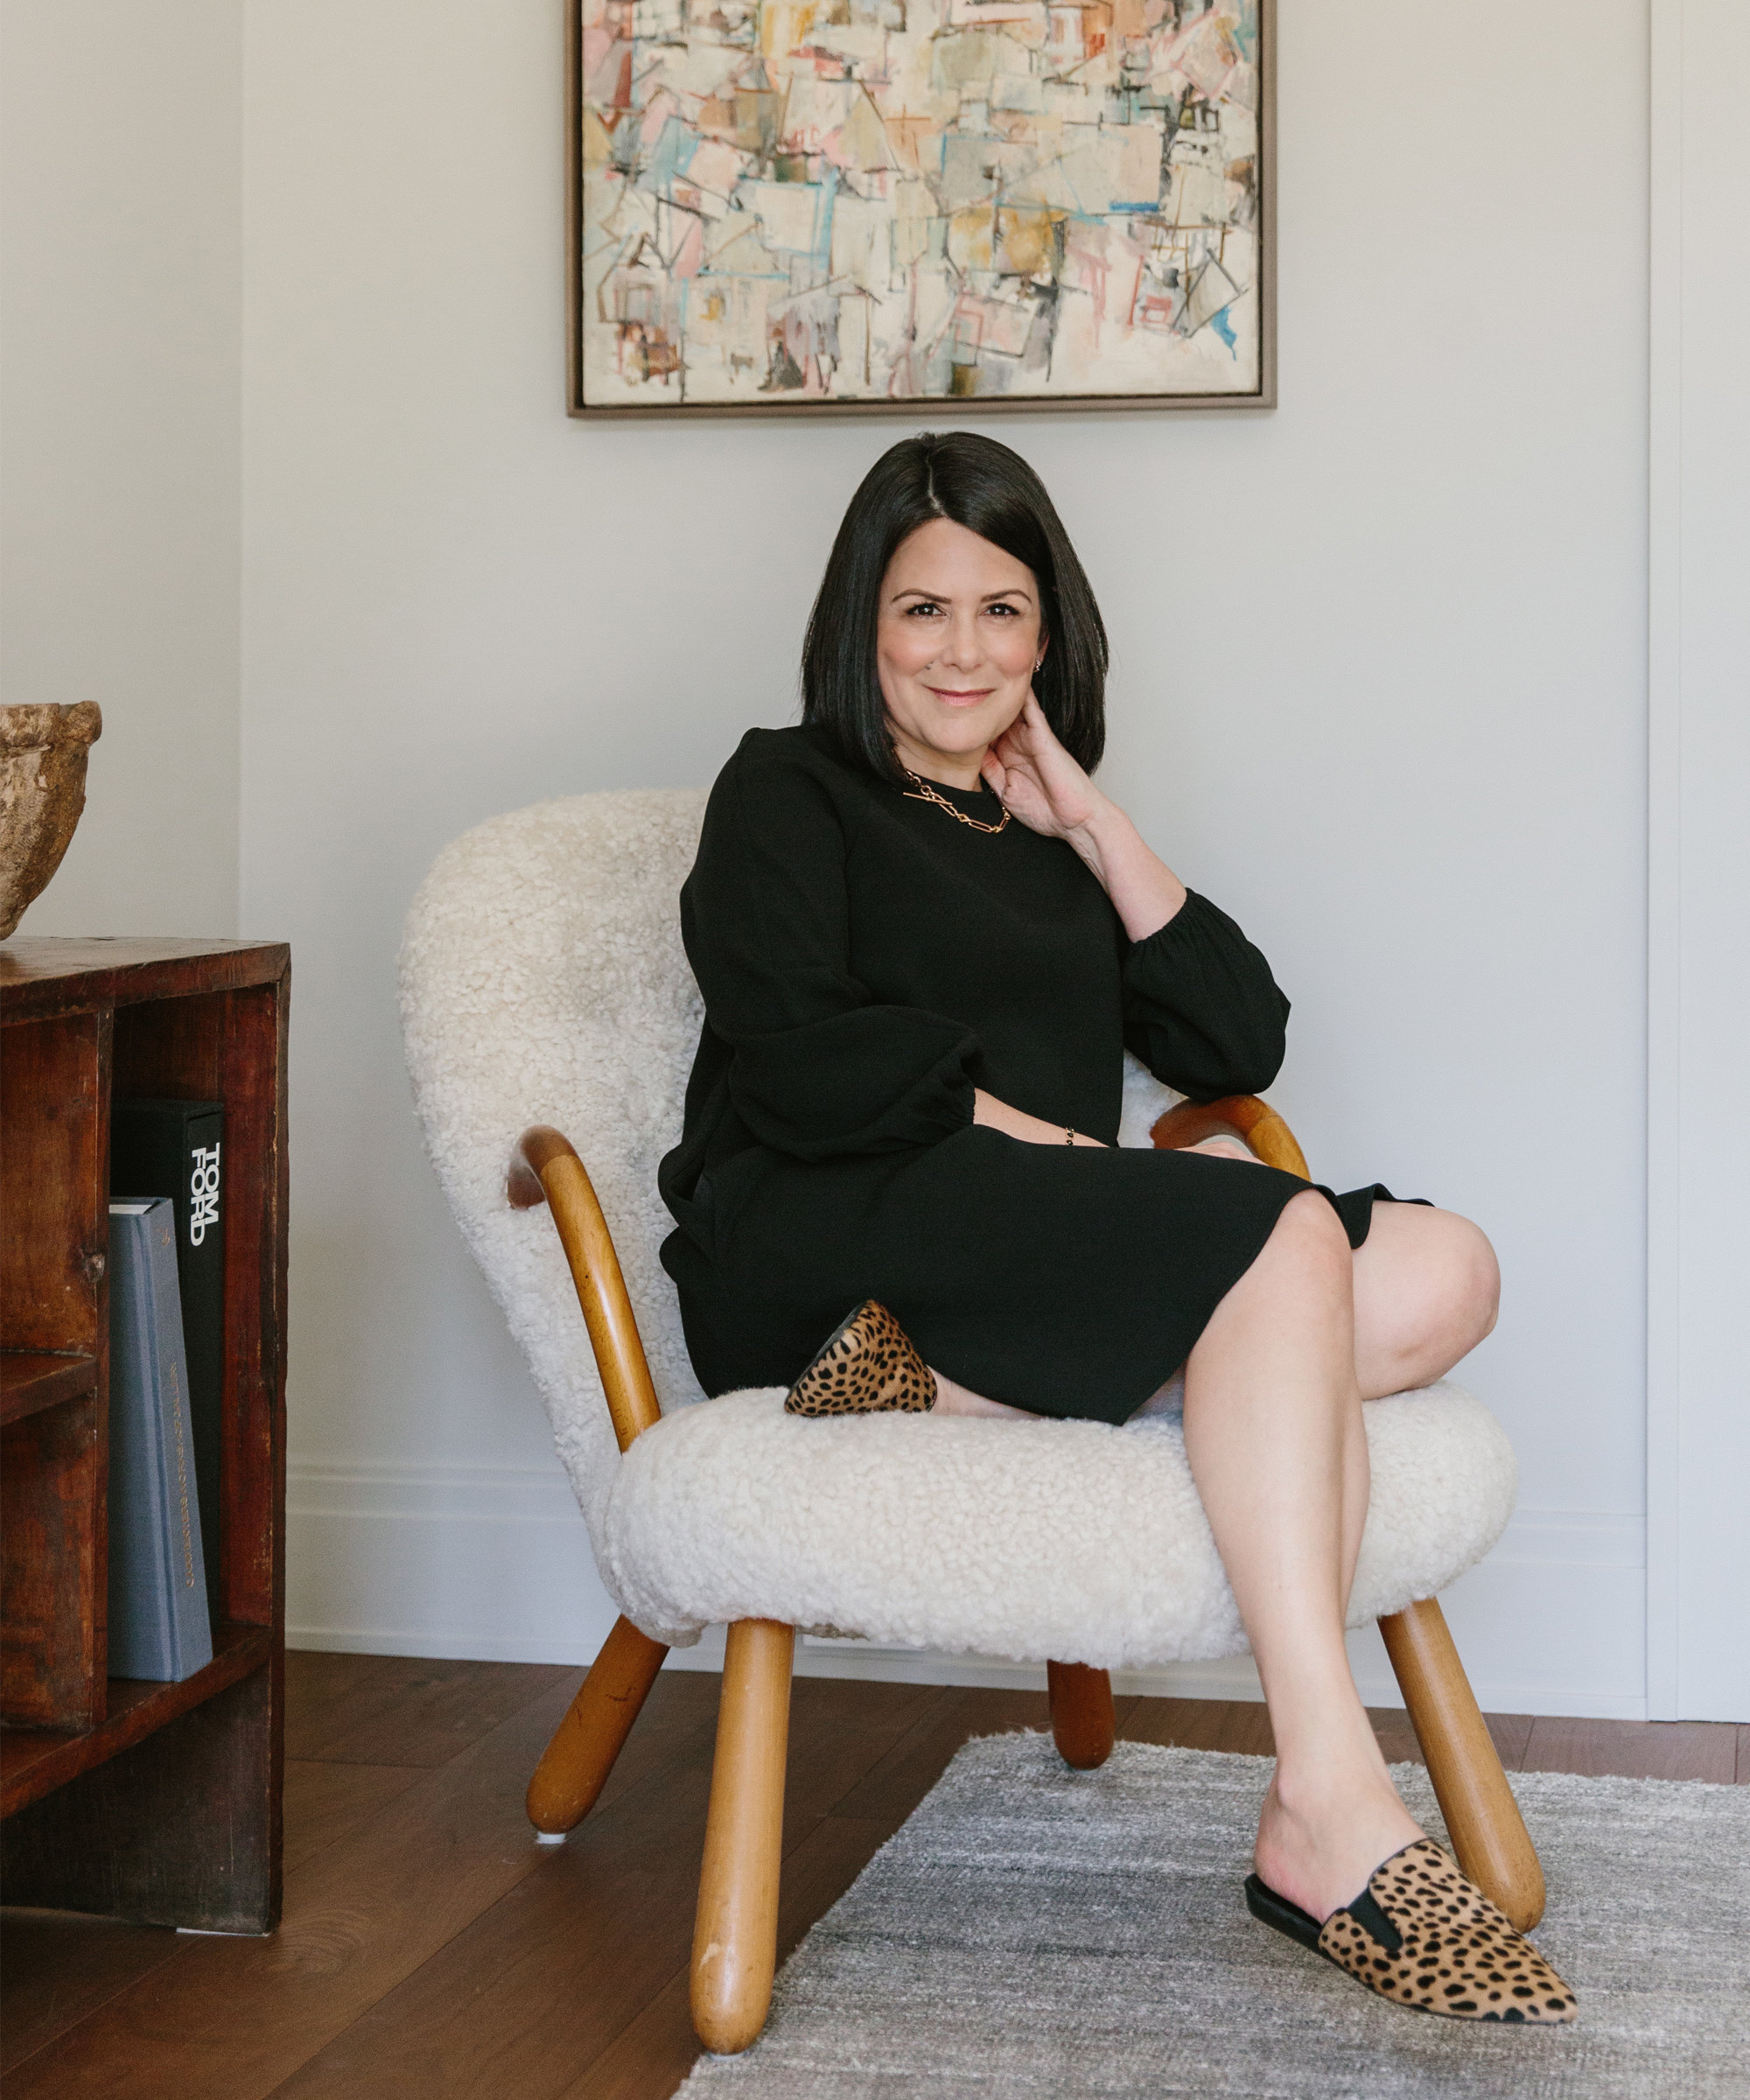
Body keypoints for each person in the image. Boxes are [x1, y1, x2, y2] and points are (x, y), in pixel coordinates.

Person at [658, 431, 1576, 2024]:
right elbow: (799, 1054)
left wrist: (1091, 821)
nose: (963, 653)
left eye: (1002, 612)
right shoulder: (782, 788)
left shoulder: (1045, 830)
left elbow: (1238, 1039)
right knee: (1281, 1238)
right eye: (923, 610)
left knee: (1445, 1269)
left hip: (1012, 1257)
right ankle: (1328, 1795)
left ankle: (940, 1380)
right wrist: (1056, 1148)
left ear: (1049, 631)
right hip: (824, 1222)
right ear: (859, 624)